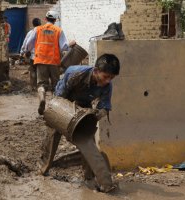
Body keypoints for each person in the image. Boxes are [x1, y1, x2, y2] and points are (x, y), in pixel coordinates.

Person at [39, 54, 121, 193]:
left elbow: (105, 107)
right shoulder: (75, 73)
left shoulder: (107, 86)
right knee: (53, 134)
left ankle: (89, 178)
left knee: (88, 141)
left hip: (83, 106)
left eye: (111, 78)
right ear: (95, 71)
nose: (108, 81)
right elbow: (59, 98)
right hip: (63, 101)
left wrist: (94, 116)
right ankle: (43, 168)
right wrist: (64, 117)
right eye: (106, 76)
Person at [23, 10, 75, 115]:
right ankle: (53, 107)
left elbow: (28, 44)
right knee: (56, 84)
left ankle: (42, 99)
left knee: (41, 84)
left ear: (45, 19)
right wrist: (71, 44)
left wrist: (27, 51)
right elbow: (64, 47)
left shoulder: (37, 29)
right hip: (54, 61)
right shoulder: (58, 30)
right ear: (55, 20)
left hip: (40, 60)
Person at [20, 18, 42, 90]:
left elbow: (26, 42)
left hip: (33, 55)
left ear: (33, 24)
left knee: (33, 70)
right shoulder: (44, 32)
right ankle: (40, 86)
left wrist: (24, 51)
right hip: (43, 55)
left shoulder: (31, 32)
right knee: (41, 71)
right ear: (40, 23)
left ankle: (33, 86)